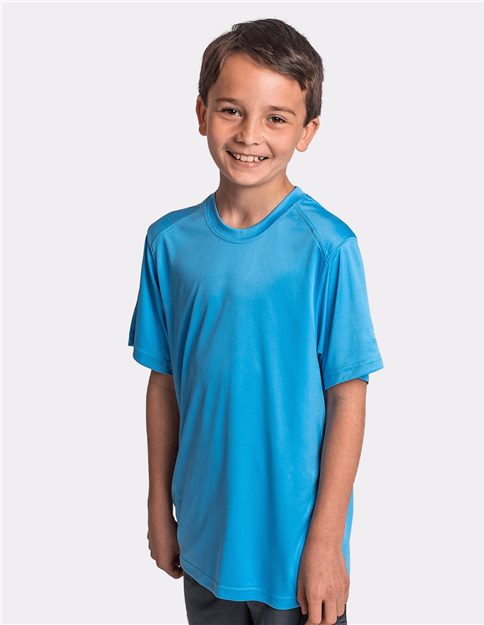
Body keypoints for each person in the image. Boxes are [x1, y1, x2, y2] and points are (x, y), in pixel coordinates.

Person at [127, 17, 384, 625]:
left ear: (307, 131)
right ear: (202, 113)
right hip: (206, 540)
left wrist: (326, 544)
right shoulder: (168, 243)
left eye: (276, 118)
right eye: (231, 110)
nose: (249, 135)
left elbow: (347, 396)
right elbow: (163, 383)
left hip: (296, 553)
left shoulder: (328, 247)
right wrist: (159, 508)